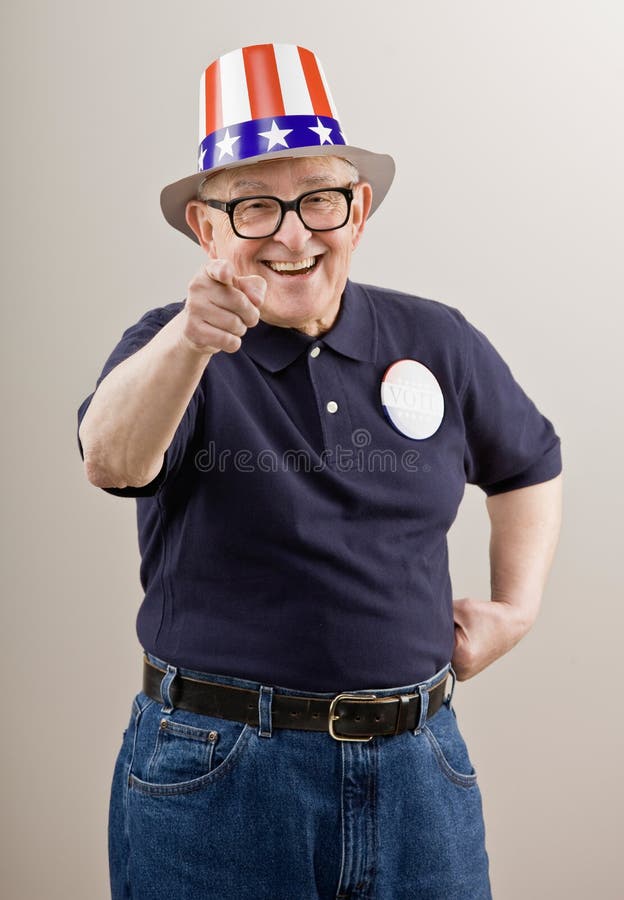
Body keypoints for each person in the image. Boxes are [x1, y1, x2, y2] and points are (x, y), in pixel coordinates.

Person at [77, 44, 563, 900]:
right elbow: (111, 462)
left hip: (421, 770)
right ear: (207, 227)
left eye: (320, 201)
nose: (293, 234)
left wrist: (515, 610)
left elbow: (528, 461)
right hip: (218, 773)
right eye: (256, 207)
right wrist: (191, 342)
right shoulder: (170, 349)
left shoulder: (438, 338)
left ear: (360, 208)